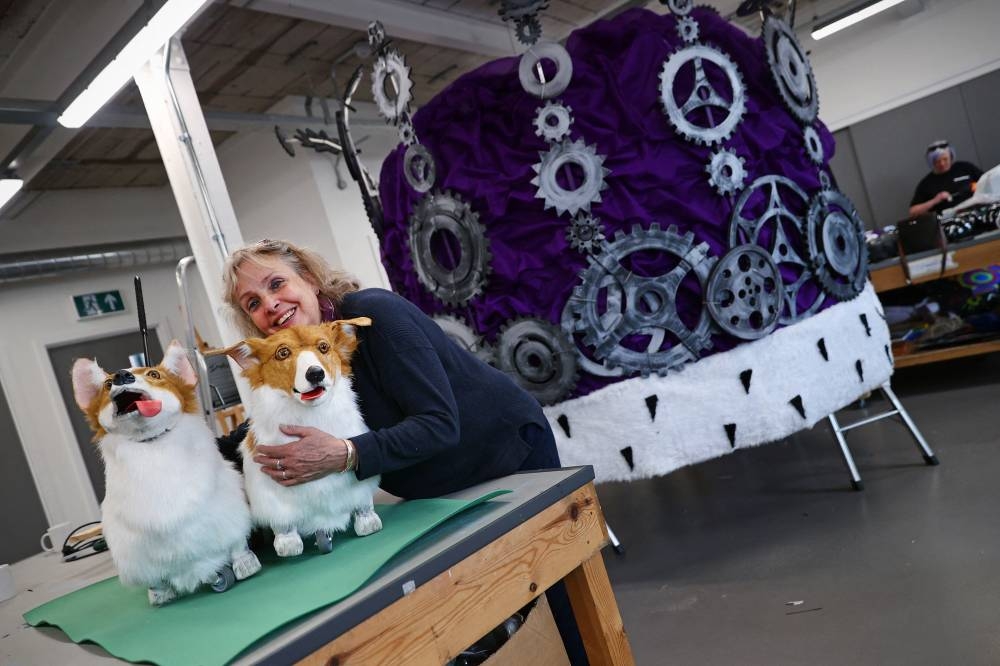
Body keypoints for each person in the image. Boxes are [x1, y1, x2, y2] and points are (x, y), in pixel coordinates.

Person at [221, 238, 588, 665]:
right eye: (252, 302)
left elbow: (438, 423)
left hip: (506, 454)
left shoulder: (377, 315)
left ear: (307, 278)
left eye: (276, 283)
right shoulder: (296, 365)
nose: (270, 304)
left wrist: (344, 453)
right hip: (431, 486)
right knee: (487, 607)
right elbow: (261, 429)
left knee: (556, 592)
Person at [909, 140, 982, 217]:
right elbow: (913, 211)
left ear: (951, 157)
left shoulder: (965, 167)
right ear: (932, 162)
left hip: (976, 212)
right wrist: (935, 201)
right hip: (948, 220)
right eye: (938, 161)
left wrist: (977, 186)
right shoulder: (926, 184)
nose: (942, 164)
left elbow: (987, 181)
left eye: (945, 159)